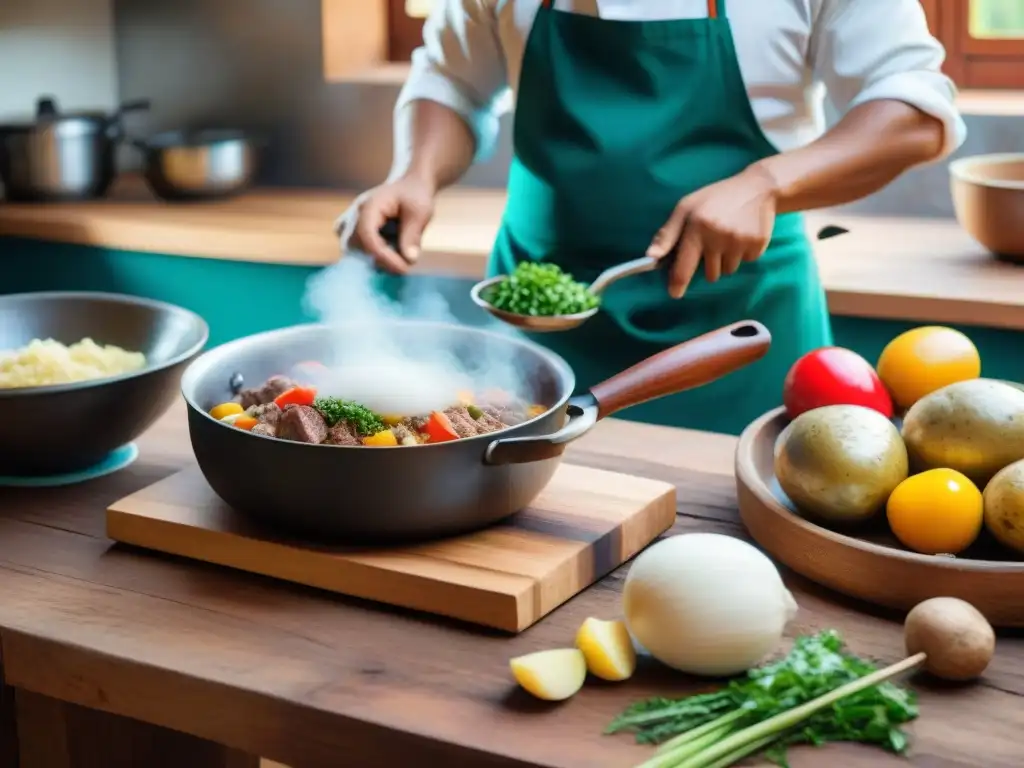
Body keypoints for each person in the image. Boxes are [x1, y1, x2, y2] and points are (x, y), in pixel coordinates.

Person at [336, 0, 964, 435]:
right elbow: (452, 80)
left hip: (740, 332)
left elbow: (913, 109)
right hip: (538, 333)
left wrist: (768, 183)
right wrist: (416, 174)